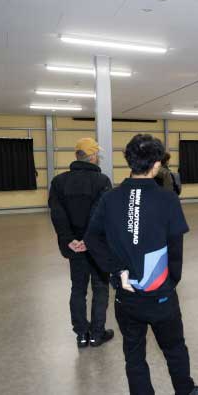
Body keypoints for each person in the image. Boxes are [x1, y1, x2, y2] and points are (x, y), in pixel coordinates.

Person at [84, 134, 198, 395]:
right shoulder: (167, 199)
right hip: (161, 294)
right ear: (156, 164)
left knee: (134, 354)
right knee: (174, 348)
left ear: (129, 161)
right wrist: (170, 282)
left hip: (126, 296)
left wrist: (116, 271)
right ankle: (186, 391)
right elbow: (175, 249)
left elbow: (92, 239)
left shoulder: (110, 198)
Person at [48, 137, 114, 348]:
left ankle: (82, 335)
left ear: (77, 156)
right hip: (96, 246)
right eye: (97, 154)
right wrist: (89, 240)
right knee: (100, 288)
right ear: (92, 156)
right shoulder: (102, 181)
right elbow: (100, 214)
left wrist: (70, 240)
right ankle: (97, 334)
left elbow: (57, 214)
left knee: (78, 289)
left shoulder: (59, 182)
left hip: (74, 247)